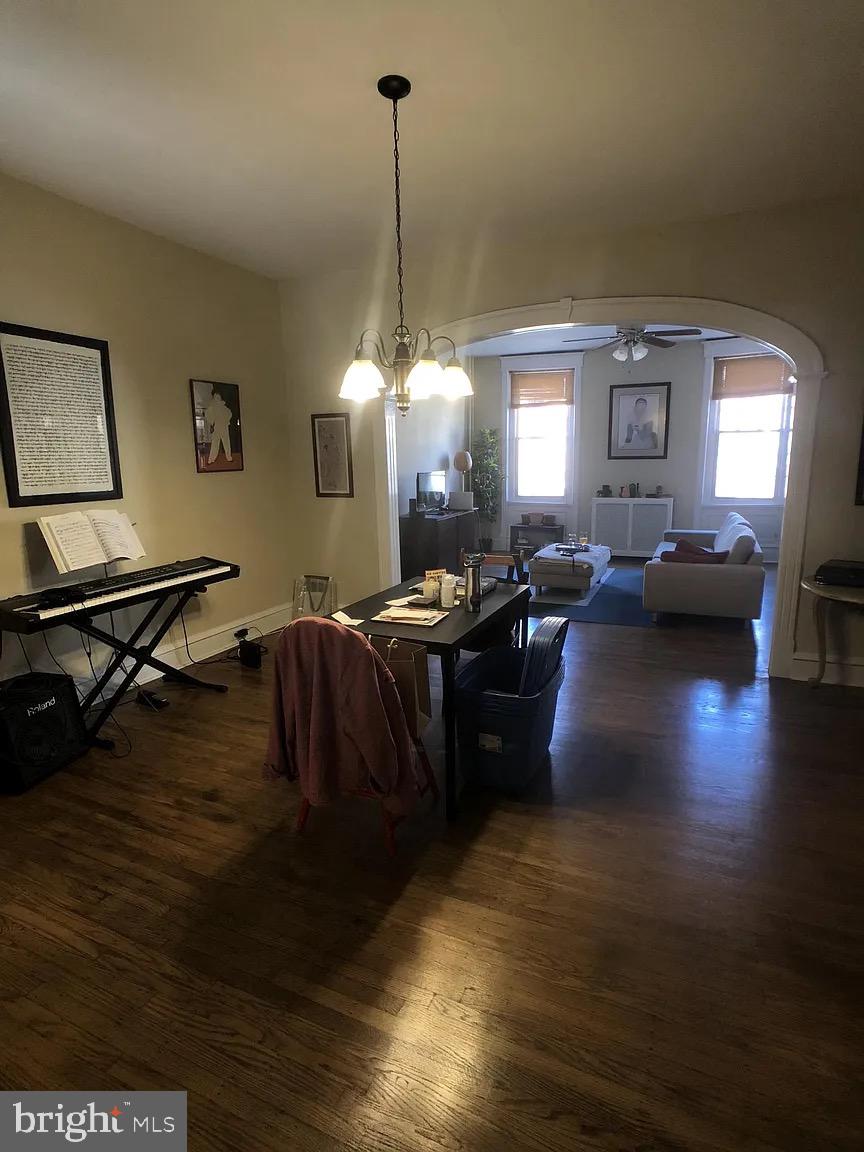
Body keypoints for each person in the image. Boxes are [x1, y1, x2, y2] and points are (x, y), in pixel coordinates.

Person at [205, 389, 233, 464]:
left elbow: (229, 414)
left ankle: (229, 457)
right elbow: (208, 415)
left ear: (220, 397)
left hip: (224, 426)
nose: (217, 398)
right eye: (215, 396)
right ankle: (211, 459)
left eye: (218, 396)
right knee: (215, 444)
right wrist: (212, 422)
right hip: (216, 427)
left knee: (226, 442)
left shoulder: (224, 408)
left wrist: (225, 420)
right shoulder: (211, 407)